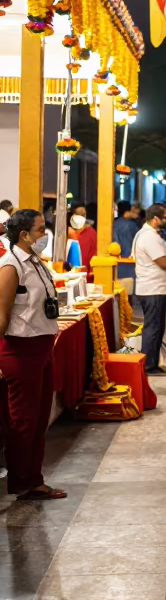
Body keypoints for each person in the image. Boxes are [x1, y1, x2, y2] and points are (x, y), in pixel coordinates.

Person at [0, 210, 65, 500]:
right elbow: (1, 314)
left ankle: (34, 478)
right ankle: (21, 481)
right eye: (40, 230)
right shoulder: (10, 265)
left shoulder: (35, 261)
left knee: (40, 418)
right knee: (23, 420)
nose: (44, 234)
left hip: (42, 346)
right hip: (20, 349)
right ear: (24, 235)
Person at [133, 203, 166, 374]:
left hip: (155, 288)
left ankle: (151, 362)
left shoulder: (150, 234)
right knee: (153, 328)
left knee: (156, 327)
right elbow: (161, 259)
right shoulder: (148, 237)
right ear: (156, 219)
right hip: (152, 289)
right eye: (164, 217)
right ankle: (149, 365)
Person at [113, 200, 140, 287]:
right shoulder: (132, 225)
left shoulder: (114, 224)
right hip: (131, 262)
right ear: (129, 209)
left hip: (118, 263)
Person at [67, 202, 97, 277]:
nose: (82, 217)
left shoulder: (91, 233)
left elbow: (94, 254)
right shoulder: (68, 232)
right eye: (79, 215)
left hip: (86, 276)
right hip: (69, 274)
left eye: (84, 215)